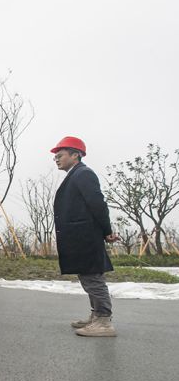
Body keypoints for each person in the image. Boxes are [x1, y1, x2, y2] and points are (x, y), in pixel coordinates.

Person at [51, 136, 118, 337]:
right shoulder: (76, 175)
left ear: (75, 155)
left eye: (60, 155)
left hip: (86, 237)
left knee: (93, 278)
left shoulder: (83, 174)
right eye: (55, 157)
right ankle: (96, 315)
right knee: (88, 277)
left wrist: (107, 231)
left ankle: (104, 322)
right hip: (81, 236)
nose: (56, 159)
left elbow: (98, 204)